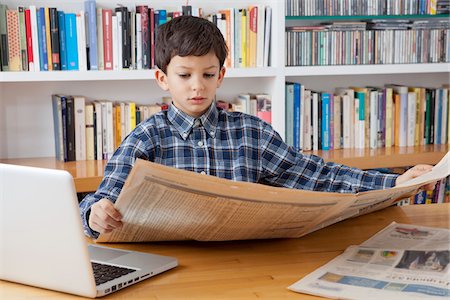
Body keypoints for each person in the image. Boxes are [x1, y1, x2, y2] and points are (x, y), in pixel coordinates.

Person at [79, 15, 435, 238]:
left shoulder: (252, 133)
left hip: (245, 259)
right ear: (162, 79)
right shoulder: (146, 137)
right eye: (184, 75)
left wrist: (393, 181)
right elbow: (100, 201)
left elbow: (315, 175)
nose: (197, 86)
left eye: (208, 74)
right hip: (170, 262)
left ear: (222, 75)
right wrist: (95, 215)